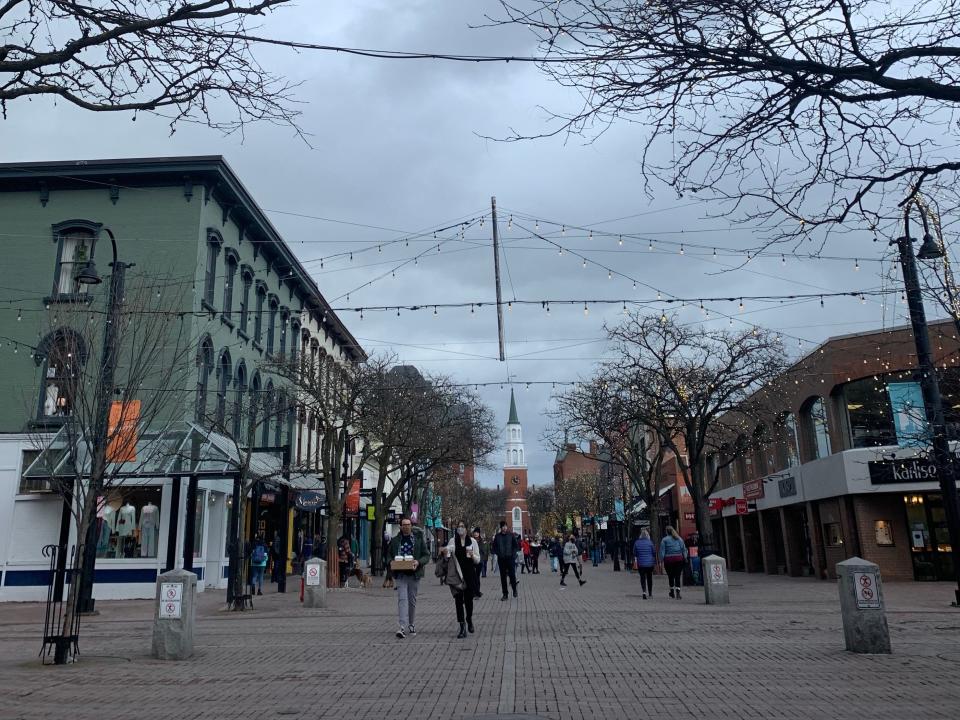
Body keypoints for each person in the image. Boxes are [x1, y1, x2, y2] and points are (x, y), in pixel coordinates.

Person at [387, 517, 430, 638]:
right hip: (400, 574)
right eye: (404, 524)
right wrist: (390, 562)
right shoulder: (395, 541)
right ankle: (402, 627)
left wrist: (418, 562)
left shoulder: (418, 539)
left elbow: (426, 555)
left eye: (408, 524)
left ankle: (411, 624)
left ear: (411, 526)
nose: (406, 526)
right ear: (400, 527)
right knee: (402, 599)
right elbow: (388, 555)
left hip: (414, 574)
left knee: (412, 600)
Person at [442, 522, 482, 638]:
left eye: (462, 526)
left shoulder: (473, 542)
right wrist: (446, 553)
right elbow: (447, 556)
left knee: (469, 601)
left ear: (466, 529)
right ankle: (462, 626)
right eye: (459, 527)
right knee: (458, 600)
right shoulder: (452, 541)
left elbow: (478, 560)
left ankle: (469, 619)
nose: (460, 529)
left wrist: (472, 555)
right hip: (457, 575)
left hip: (469, 574)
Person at [491, 521, 520, 600]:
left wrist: (513, 555)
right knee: (503, 577)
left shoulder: (511, 535)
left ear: (507, 527)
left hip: (510, 558)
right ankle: (505, 594)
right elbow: (494, 547)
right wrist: (498, 553)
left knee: (512, 575)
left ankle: (514, 589)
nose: (504, 528)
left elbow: (516, 546)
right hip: (501, 559)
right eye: (503, 526)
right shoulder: (497, 536)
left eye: (505, 526)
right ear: (501, 528)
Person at [659, 526, 688, 599]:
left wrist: (661, 560)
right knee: (678, 576)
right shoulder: (679, 539)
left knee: (670, 576)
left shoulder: (664, 540)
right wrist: (685, 557)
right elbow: (683, 549)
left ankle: (672, 592)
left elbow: (662, 551)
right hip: (679, 559)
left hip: (668, 560)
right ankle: (678, 593)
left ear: (666, 532)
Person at [633, 529, 656, 599]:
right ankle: (650, 593)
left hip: (641, 564)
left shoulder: (637, 543)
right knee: (649, 578)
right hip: (650, 564)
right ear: (647, 535)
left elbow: (634, 553)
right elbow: (654, 552)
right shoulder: (650, 543)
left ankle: (644, 592)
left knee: (642, 578)